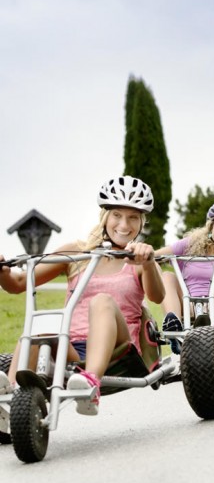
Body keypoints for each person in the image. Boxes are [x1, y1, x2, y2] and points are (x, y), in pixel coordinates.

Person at [0, 176, 165, 416]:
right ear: (105, 216)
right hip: (73, 350)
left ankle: (91, 383)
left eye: (133, 217)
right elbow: (18, 283)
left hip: (118, 351)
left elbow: (158, 297)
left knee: (102, 300)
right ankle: (11, 400)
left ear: (141, 222)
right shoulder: (76, 252)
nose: (124, 224)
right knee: (41, 325)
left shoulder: (140, 257)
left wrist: (148, 263)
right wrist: (3, 272)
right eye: (117, 215)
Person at [156, 200, 214, 346]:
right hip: (188, 305)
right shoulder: (189, 244)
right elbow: (154, 256)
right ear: (211, 225)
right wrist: (138, 252)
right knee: (167, 276)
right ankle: (174, 330)